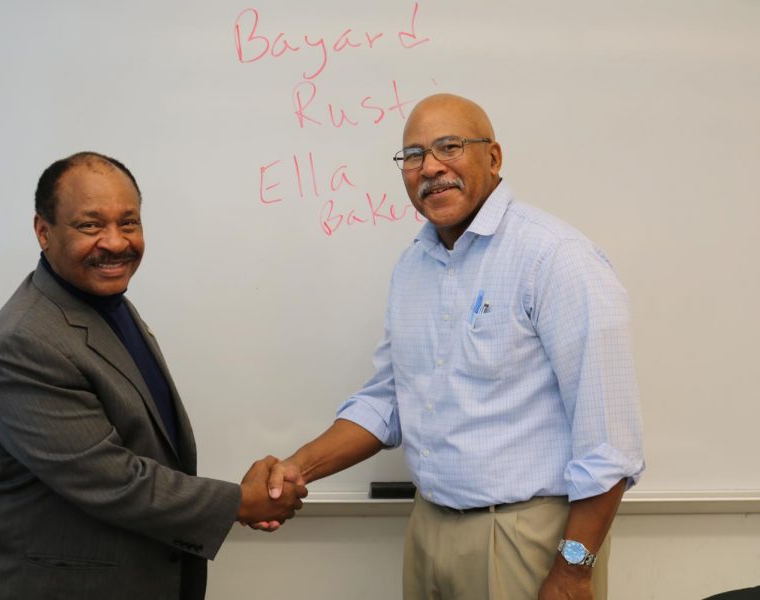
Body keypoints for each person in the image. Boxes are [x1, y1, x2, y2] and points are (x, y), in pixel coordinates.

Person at [263, 94, 645, 600]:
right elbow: (389, 402)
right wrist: (295, 469)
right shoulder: (413, 266)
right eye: (414, 155)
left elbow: (609, 444)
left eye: (449, 146)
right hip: (428, 527)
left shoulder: (556, 259)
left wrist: (574, 568)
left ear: (493, 157)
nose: (431, 168)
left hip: (526, 539)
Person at [0, 152, 306, 600]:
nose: (116, 242)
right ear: (43, 231)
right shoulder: (24, 342)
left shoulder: (104, 303)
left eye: (129, 222)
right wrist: (242, 502)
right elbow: (114, 480)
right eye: (90, 225)